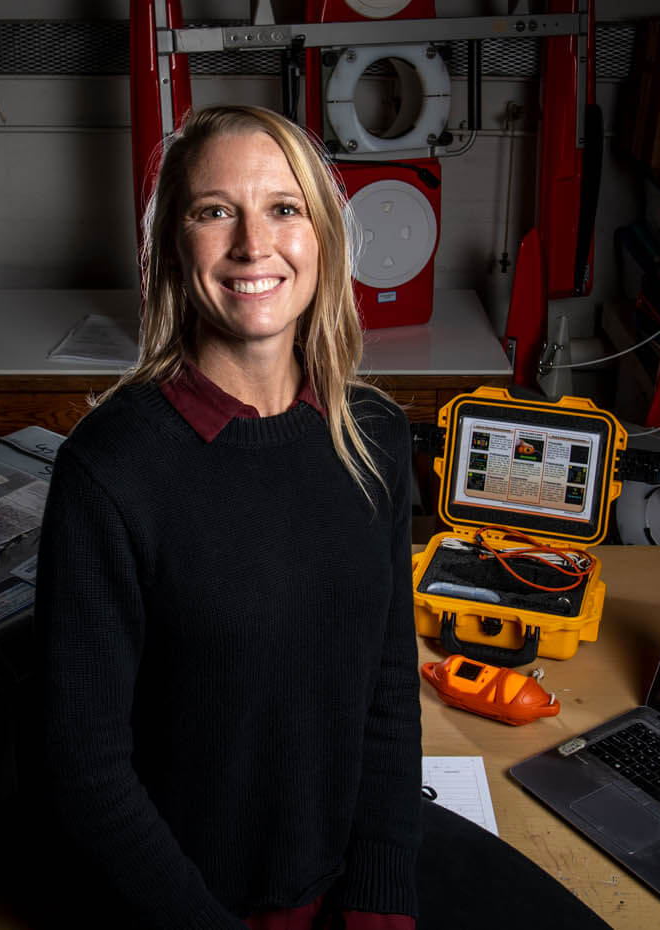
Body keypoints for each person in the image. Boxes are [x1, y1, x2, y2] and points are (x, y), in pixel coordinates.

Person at [34, 104, 607, 930]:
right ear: (171, 248)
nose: (252, 244)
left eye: (284, 208)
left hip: (347, 867)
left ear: (323, 241)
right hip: (192, 903)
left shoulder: (368, 436)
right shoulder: (111, 469)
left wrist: (379, 899)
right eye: (214, 210)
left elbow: (384, 689)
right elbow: (84, 769)